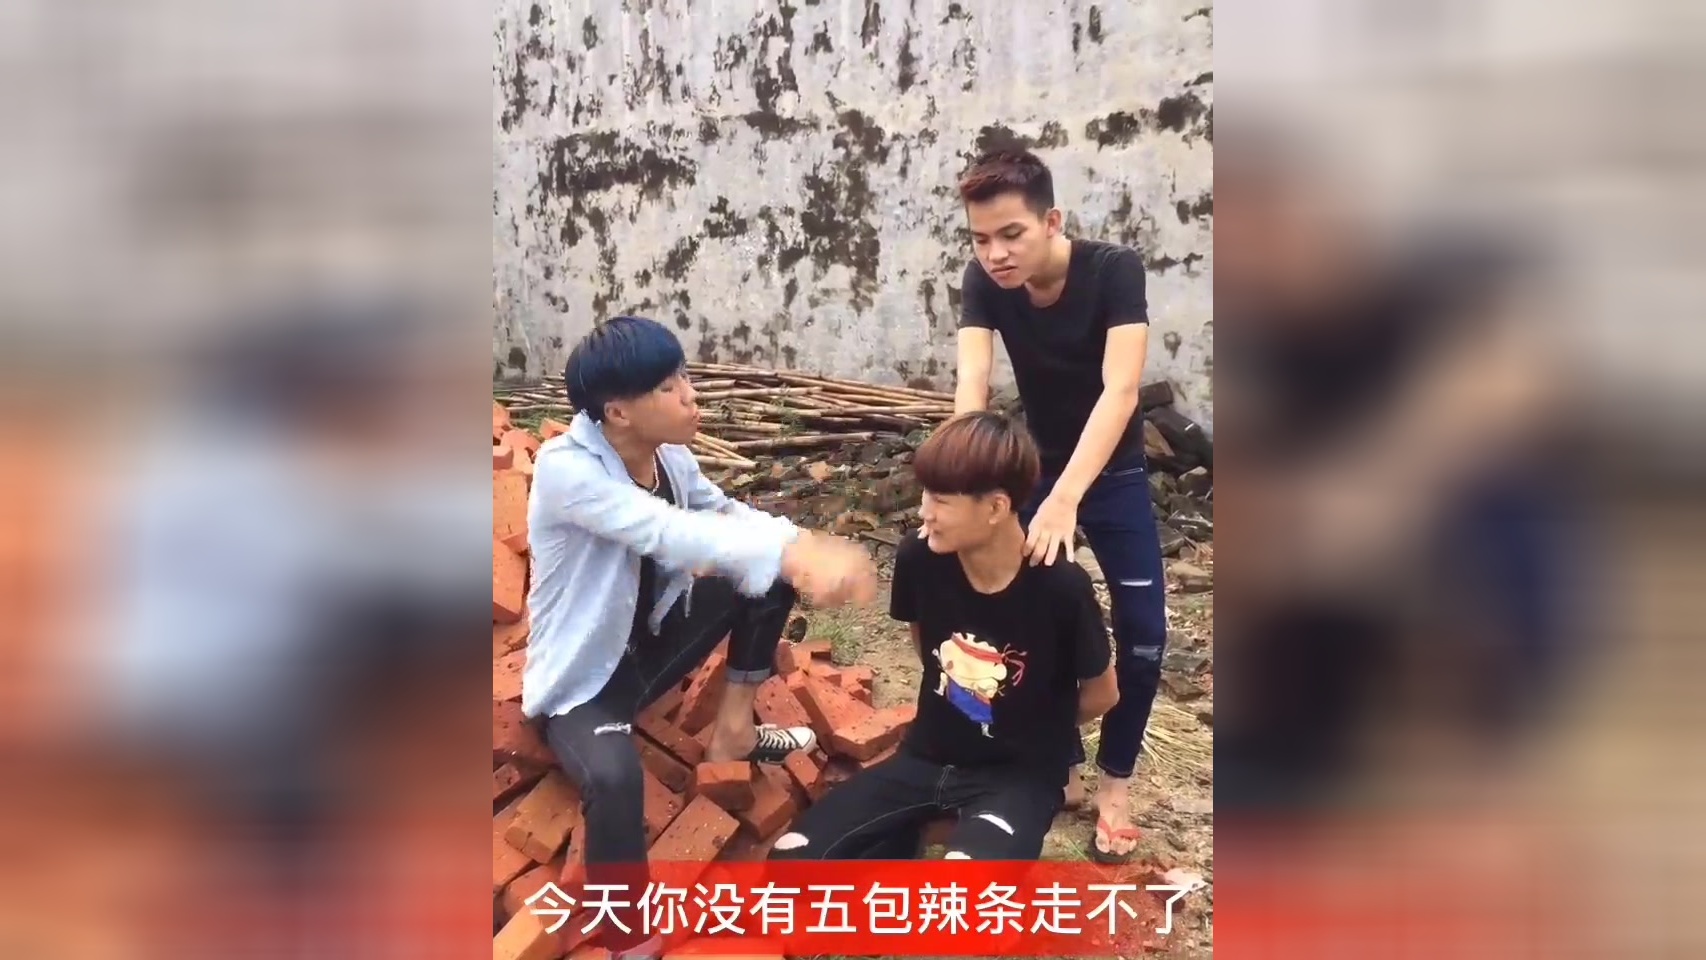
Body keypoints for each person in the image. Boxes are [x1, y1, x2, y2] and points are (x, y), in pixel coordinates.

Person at [524, 315, 878, 955]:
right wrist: (796, 553)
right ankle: (626, 939)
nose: (691, 395)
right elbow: (669, 534)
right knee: (615, 782)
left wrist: (797, 543)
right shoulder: (566, 470)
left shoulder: (669, 457)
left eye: (684, 376)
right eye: (669, 387)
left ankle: (734, 733)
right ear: (619, 413)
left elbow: (723, 514)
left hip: (651, 648)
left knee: (764, 577)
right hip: (585, 684)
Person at [769, 412, 1118, 862]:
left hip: (1016, 777)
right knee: (792, 858)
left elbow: (1103, 694)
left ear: (995, 508)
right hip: (926, 757)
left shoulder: (1060, 587)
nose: (924, 512)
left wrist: (1028, 730)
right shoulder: (921, 558)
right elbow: (928, 650)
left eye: (941, 500)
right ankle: (903, 841)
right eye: (925, 494)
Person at [947, 148, 1166, 862]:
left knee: (1143, 633)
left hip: (1113, 474)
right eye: (981, 239)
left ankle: (1115, 784)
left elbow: (1121, 391)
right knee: (1029, 620)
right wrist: (963, 476)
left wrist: (1066, 497)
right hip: (1035, 470)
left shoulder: (1113, 271)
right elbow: (972, 386)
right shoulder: (984, 282)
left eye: (1011, 234)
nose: (996, 254)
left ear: (1051, 221)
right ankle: (1059, 759)